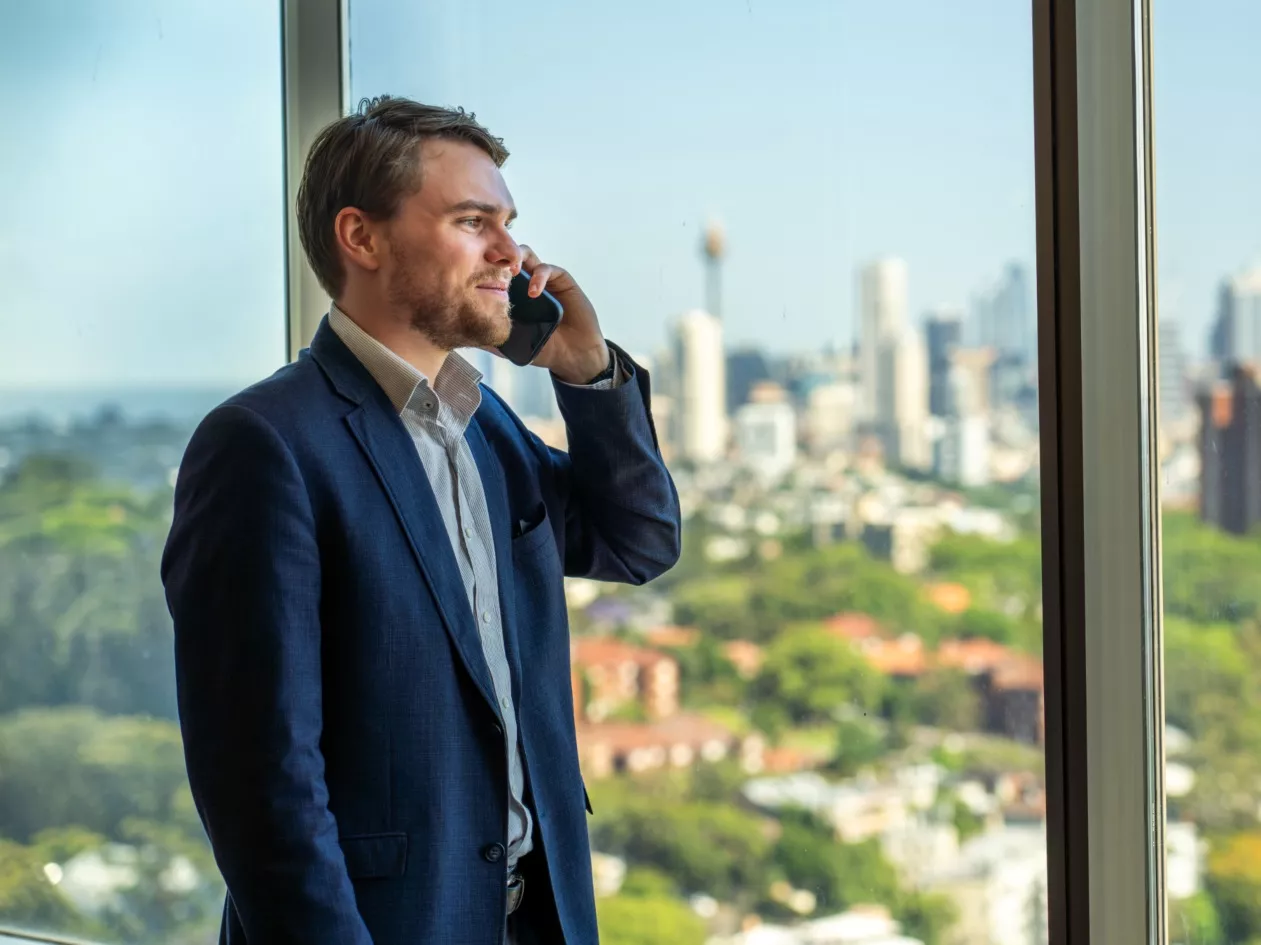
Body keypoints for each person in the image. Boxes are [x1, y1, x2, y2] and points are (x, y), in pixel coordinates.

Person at [161, 95, 681, 945]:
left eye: (509, 223)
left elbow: (638, 541)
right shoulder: (261, 445)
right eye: (473, 221)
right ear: (361, 238)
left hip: (534, 918)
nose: (512, 253)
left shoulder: (487, 427)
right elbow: (262, 788)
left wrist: (585, 368)